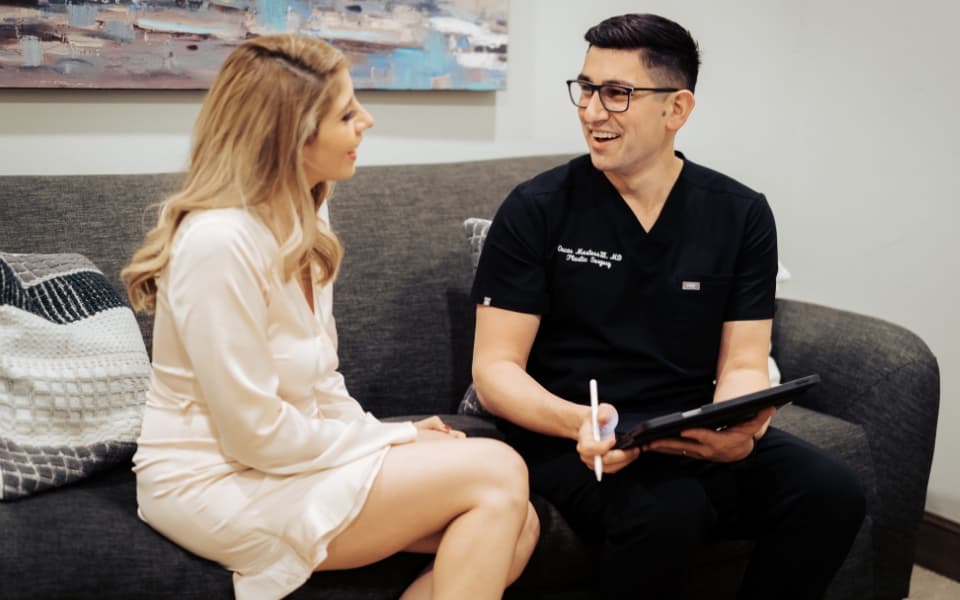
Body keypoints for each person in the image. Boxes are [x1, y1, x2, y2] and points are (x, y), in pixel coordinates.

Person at [122, 34, 538, 600]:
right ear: (290, 136)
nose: (365, 121)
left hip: (282, 458)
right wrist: (382, 441)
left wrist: (387, 437)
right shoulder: (218, 244)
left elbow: (321, 383)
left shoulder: (305, 219)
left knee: (520, 518)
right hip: (214, 479)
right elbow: (255, 435)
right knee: (497, 472)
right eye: (346, 113)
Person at [471, 13, 864, 600]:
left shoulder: (740, 213)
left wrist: (738, 428)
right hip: (564, 433)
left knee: (831, 490)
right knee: (667, 511)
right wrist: (581, 421)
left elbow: (743, 362)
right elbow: (495, 369)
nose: (591, 111)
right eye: (585, 88)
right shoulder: (537, 208)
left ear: (676, 109)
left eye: (617, 93)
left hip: (682, 425)